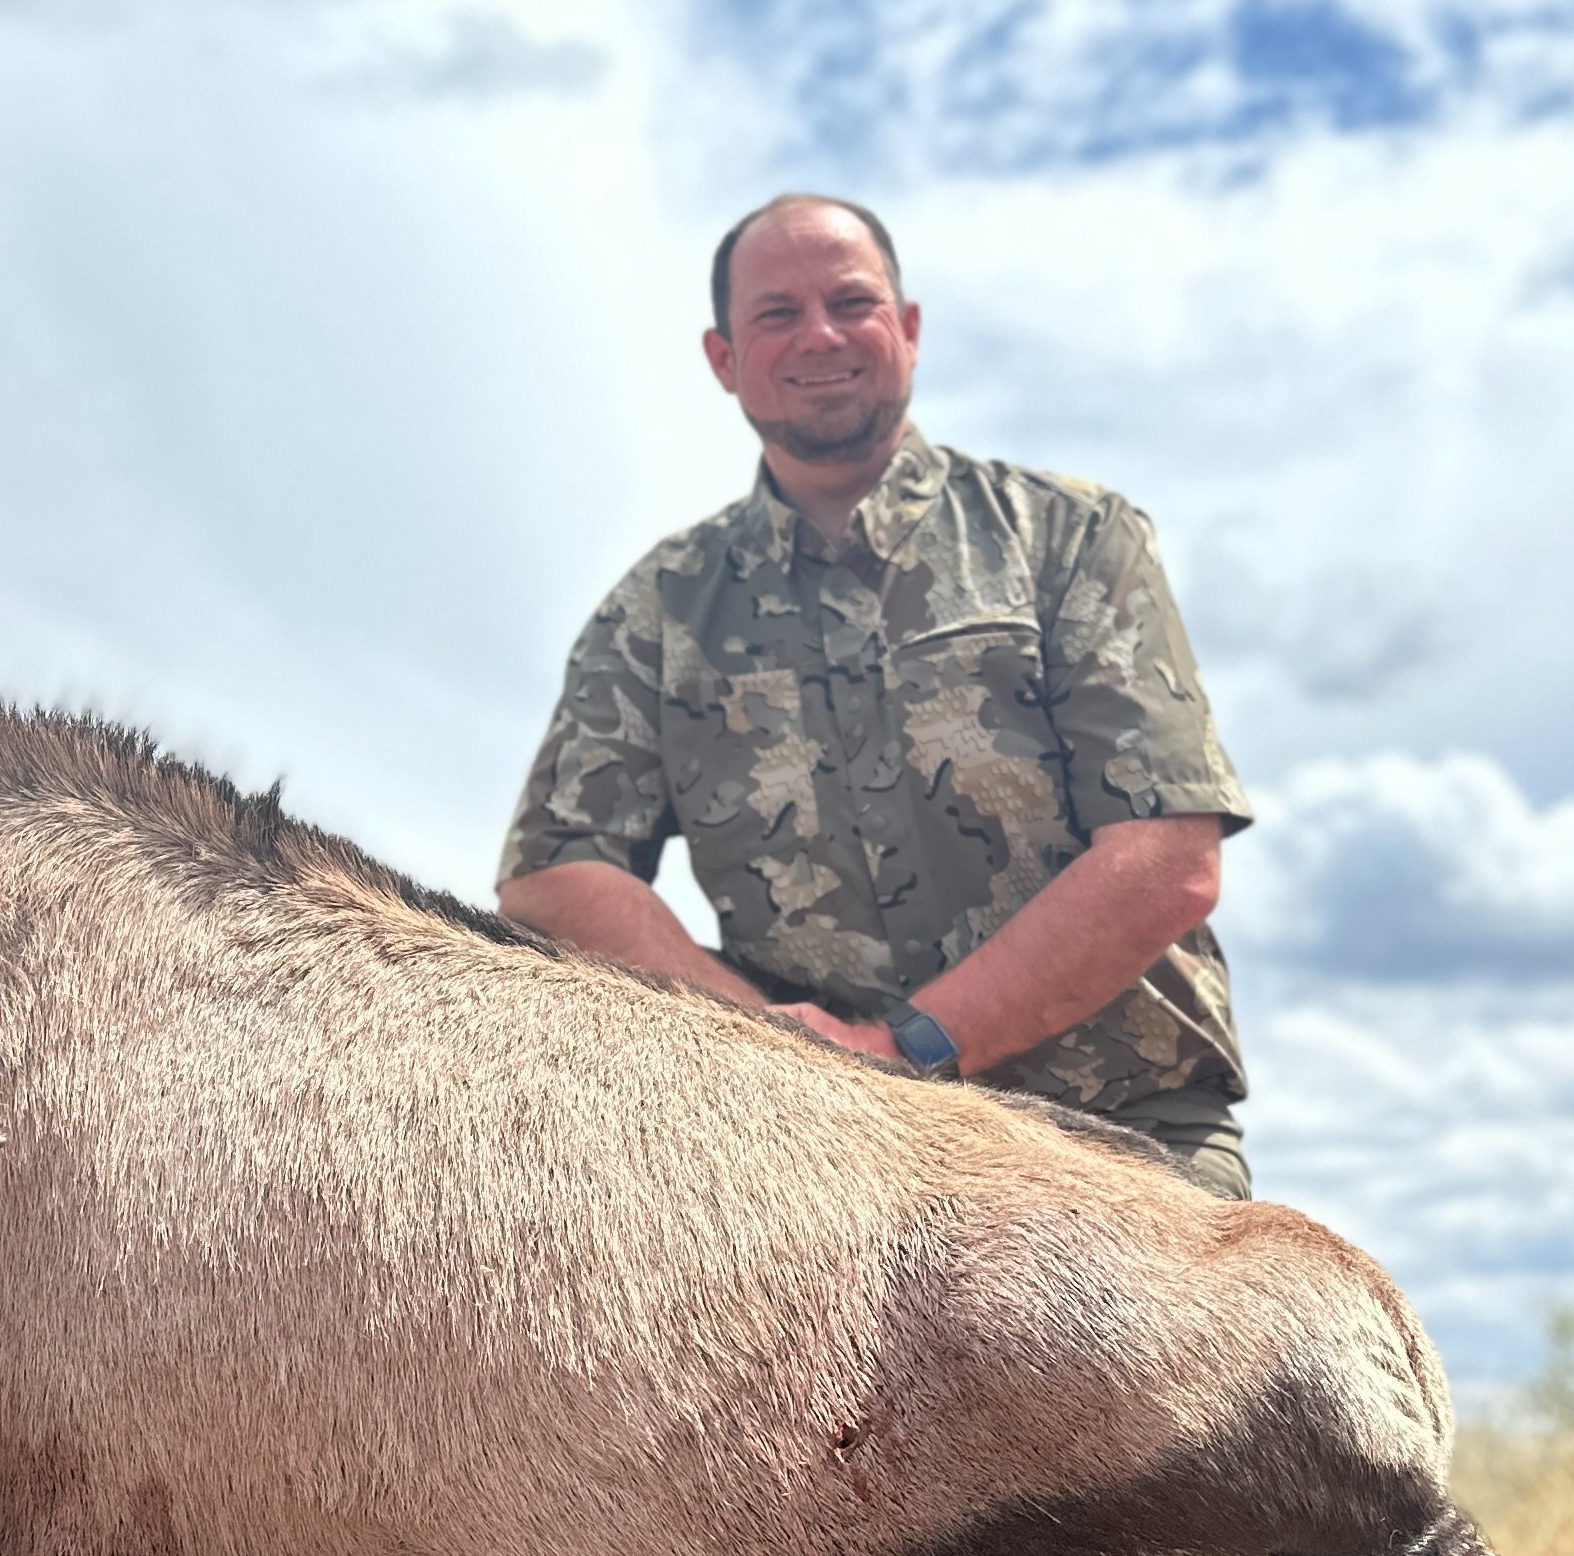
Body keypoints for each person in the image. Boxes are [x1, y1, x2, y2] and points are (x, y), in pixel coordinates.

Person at [495, 191, 1258, 1194]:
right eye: (776, 314)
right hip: (810, 1159)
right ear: (724, 359)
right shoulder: (659, 610)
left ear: (906, 329)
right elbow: (554, 871)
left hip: (1117, 1131)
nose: (820, 334)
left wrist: (908, 1051)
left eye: (851, 302)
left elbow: (1168, 858)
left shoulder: (1069, 539)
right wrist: (766, 1048)